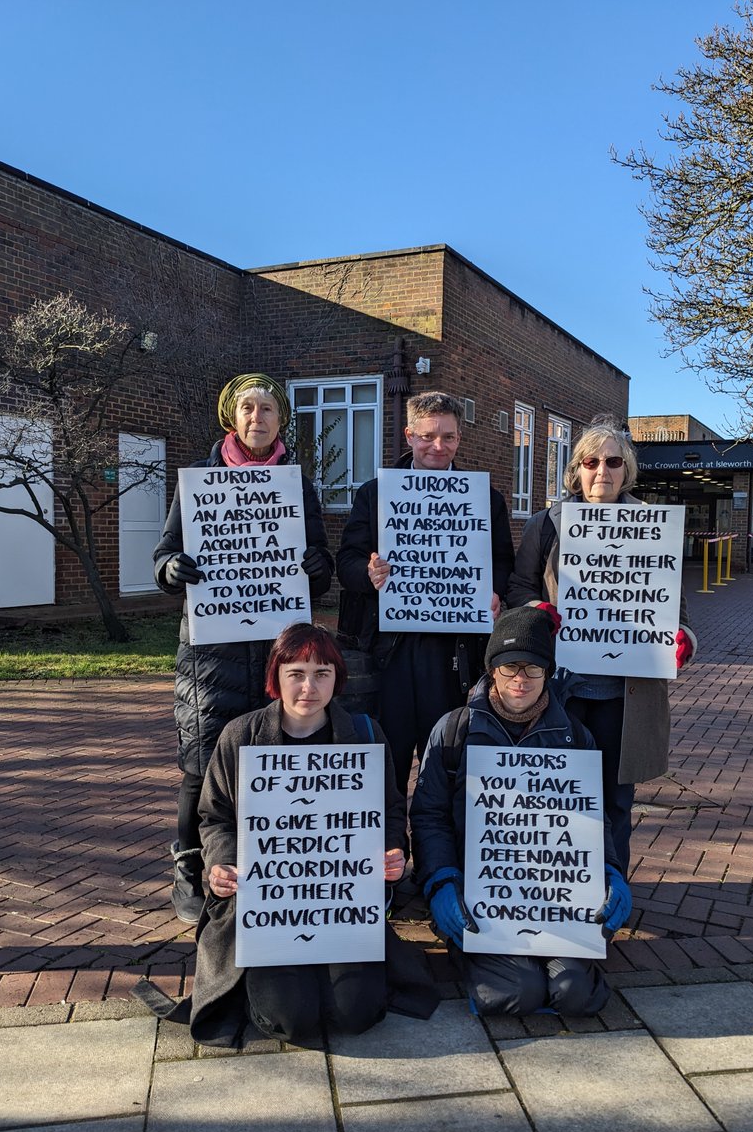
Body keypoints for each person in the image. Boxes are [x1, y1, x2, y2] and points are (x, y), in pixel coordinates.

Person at [137, 623, 437, 1047]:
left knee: (357, 1013)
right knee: (290, 1020)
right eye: (296, 673)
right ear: (276, 678)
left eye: (322, 674)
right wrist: (221, 862)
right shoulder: (240, 736)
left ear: (338, 678)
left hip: (341, 906)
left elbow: (389, 808)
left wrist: (392, 849)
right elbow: (215, 816)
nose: (309, 687)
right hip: (267, 908)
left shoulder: (366, 736)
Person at [153, 373, 334, 922]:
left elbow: (320, 566)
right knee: (201, 760)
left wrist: (315, 567)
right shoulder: (200, 481)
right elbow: (163, 555)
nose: (259, 418)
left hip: (279, 652)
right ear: (232, 417)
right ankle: (189, 867)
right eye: (248, 408)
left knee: (273, 760)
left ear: (282, 420)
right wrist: (172, 568)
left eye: (269, 409)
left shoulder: (298, 487)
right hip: (213, 651)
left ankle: (262, 863)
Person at [409, 606, 631, 1017]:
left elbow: (591, 817)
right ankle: (480, 958)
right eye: (510, 667)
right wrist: (441, 880)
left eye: (533, 668)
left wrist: (609, 870)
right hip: (477, 895)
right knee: (520, 991)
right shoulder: (455, 729)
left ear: (548, 672)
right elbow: (429, 816)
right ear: (491, 670)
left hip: (556, 897)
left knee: (572, 993)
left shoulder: (575, 735)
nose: (520, 680)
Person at [505, 415, 697, 875]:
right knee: (556, 792)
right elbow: (517, 587)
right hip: (561, 688)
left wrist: (680, 638)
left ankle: (610, 892)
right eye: (591, 461)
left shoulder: (652, 526)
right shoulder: (546, 524)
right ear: (577, 468)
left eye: (613, 461)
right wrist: (538, 609)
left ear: (626, 469)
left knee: (615, 798)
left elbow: (674, 606)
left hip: (624, 695)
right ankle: (559, 891)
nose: (601, 472)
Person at [336, 391, 515, 798]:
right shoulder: (374, 494)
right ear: (408, 436)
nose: (439, 446)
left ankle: (442, 858)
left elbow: (503, 560)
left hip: (452, 652)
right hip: (390, 652)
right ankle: (392, 852)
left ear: (459, 439)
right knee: (388, 762)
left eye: (449, 437)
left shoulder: (486, 499)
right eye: (428, 436)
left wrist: (494, 590)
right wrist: (368, 574)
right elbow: (344, 562)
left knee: (448, 762)